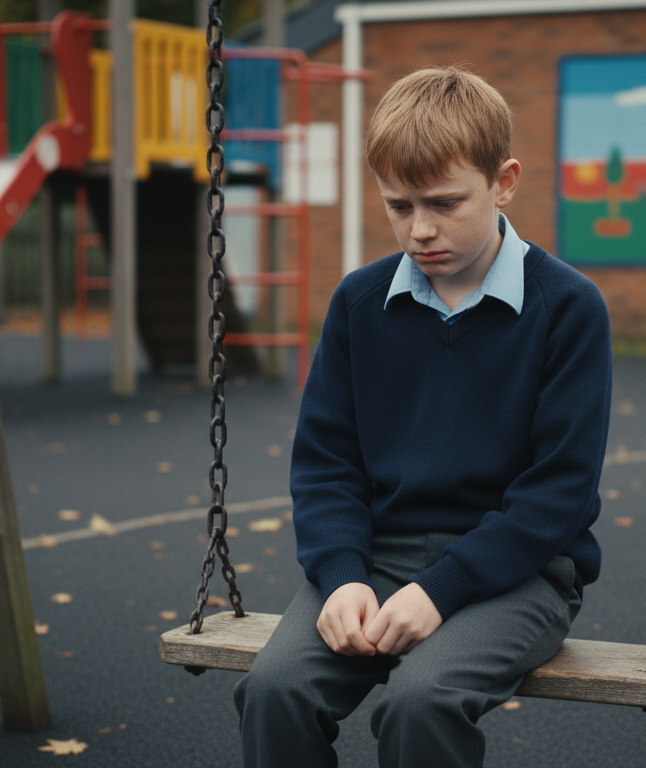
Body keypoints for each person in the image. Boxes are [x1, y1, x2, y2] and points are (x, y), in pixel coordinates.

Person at [234, 66, 611, 768]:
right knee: (275, 688)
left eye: (444, 202)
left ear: (504, 182)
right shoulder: (360, 303)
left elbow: (558, 495)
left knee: (421, 702)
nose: (421, 230)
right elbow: (327, 467)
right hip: (376, 559)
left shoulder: (567, 307)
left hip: (519, 572)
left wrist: (441, 590)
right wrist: (343, 573)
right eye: (399, 206)